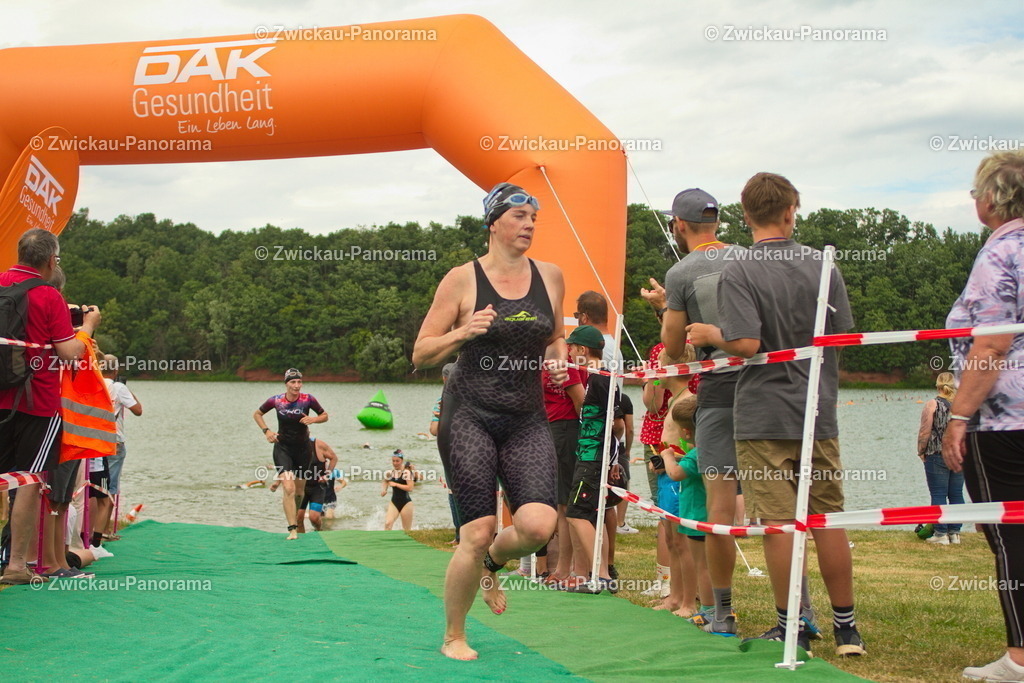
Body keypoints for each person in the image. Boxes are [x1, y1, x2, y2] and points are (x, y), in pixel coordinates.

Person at [687, 172, 863, 656]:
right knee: (826, 518)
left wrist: (708, 334)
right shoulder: (823, 265)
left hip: (763, 415)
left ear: (745, 217)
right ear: (791, 212)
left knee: (779, 524)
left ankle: (793, 626)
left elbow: (746, 344)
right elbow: (840, 338)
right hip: (816, 412)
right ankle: (848, 629)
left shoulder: (738, 269)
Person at [412, 182, 567, 661]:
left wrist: (558, 360)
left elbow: (556, 335)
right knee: (475, 530)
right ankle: (454, 635)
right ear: (494, 222)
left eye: (533, 218)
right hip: (470, 416)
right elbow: (420, 354)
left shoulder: (551, 276)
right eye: (519, 216)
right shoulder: (462, 280)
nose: (529, 225)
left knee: (540, 526)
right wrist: (463, 331)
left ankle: (493, 562)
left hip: (525, 418)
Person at [941, 151, 1024, 682]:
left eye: (975, 193)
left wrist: (957, 416)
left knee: (1012, 538)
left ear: (991, 199)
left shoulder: (1001, 253)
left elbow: (991, 342)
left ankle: (1019, 659)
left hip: (1005, 422)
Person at [658, 187, 746, 636]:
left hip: (717, 395)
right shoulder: (750, 259)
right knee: (779, 510)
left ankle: (720, 613)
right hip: (765, 392)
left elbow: (673, 350)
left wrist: (674, 317)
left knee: (716, 510)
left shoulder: (681, 272)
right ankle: (800, 615)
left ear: (680, 226)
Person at [0, 229, 101, 585]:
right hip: (36, 402)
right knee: (29, 478)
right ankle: (15, 565)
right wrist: (86, 328)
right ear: (50, 260)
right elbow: (69, 352)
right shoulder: (47, 295)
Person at [564, 325, 624, 593]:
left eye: (572, 348)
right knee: (590, 517)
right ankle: (602, 576)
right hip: (587, 455)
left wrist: (611, 460)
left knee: (576, 514)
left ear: (583, 350)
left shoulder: (602, 379)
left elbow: (618, 424)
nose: (569, 352)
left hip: (593, 458)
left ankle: (600, 576)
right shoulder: (594, 378)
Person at [253, 369, 328, 540]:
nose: (296, 386)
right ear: (286, 383)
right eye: (293, 382)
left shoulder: (308, 399)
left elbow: (325, 416)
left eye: (299, 382)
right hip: (283, 448)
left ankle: (295, 519)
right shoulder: (276, 400)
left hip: (303, 450)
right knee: (288, 487)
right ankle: (292, 528)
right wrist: (266, 431)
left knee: (299, 493)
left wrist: (313, 419)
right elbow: (257, 414)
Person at [660, 394, 715, 627]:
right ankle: (709, 606)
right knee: (706, 564)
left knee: (701, 564)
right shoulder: (709, 451)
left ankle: (700, 607)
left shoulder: (695, 454)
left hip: (695, 517)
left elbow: (675, 474)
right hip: (704, 516)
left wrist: (667, 457)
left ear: (686, 433)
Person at [97, 354, 142, 541]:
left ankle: (93, 529)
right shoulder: (119, 387)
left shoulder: (94, 383)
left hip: (94, 442)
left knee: (96, 487)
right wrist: (126, 390)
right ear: (116, 370)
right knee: (111, 488)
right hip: (114, 441)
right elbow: (138, 410)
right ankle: (104, 530)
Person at [916, 372, 963, 545]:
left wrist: (921, 450)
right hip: (959, 455)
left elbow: (925, 431)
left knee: (938, 494)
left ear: (937, 385)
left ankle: (940, 533)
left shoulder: (932, 404)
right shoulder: (961, 405)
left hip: (936, 454)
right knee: (957, 494)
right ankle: (955, 533)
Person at [381, 450, 414, 531]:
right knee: (388, 523)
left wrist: (396, 485)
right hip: (394, 502)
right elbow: (385, 481)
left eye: (397, 461)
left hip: (406, 503)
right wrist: (384, 490)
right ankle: (386, 542)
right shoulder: (390, 472)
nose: (395, 463)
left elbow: (410, 488)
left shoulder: (406, 472)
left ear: (402, 461)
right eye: (393, 461)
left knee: (406, 530)